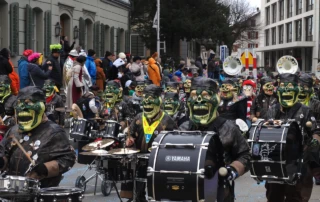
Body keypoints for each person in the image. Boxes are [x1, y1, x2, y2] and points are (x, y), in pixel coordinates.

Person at [179, 77, 251, 202]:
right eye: (194, 96)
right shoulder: (183, 128)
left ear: (217, 99)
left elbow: (245, 155)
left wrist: (233, 170)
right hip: (188, 190)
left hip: (219, 191)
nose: (199, 100)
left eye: (206, 96)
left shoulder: (229, 128)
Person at [0, 86, 76, 187]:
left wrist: (45, 169)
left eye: (29, 103)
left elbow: (69, 158)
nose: (23, 107)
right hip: (13, 190)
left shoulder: (53, 132)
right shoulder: (13, 130)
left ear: (43, 106)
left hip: (41, 191)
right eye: (19, 103)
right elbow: (4, 152)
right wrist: (2, 161)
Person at [265, 73, 314, 202]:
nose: (286, 89)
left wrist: (315, 140)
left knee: (296, 197)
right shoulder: (272, 110)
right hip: (276, 160)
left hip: (297, 161)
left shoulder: (305, 110)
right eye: (282, 86)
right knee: (274, 197)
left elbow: (316, 131)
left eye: (291, 86)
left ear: (297, 88)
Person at [126, 84, 177, 202]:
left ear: (159, 100)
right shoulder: (138, 117)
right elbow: (131, 134)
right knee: (139, 189)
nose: (148, 102)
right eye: (145, 98)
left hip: (158, 161)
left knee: (158, 191)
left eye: (151, 98)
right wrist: (130, 140)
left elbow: (173, 142)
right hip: (140, 158)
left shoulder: (167, 120)